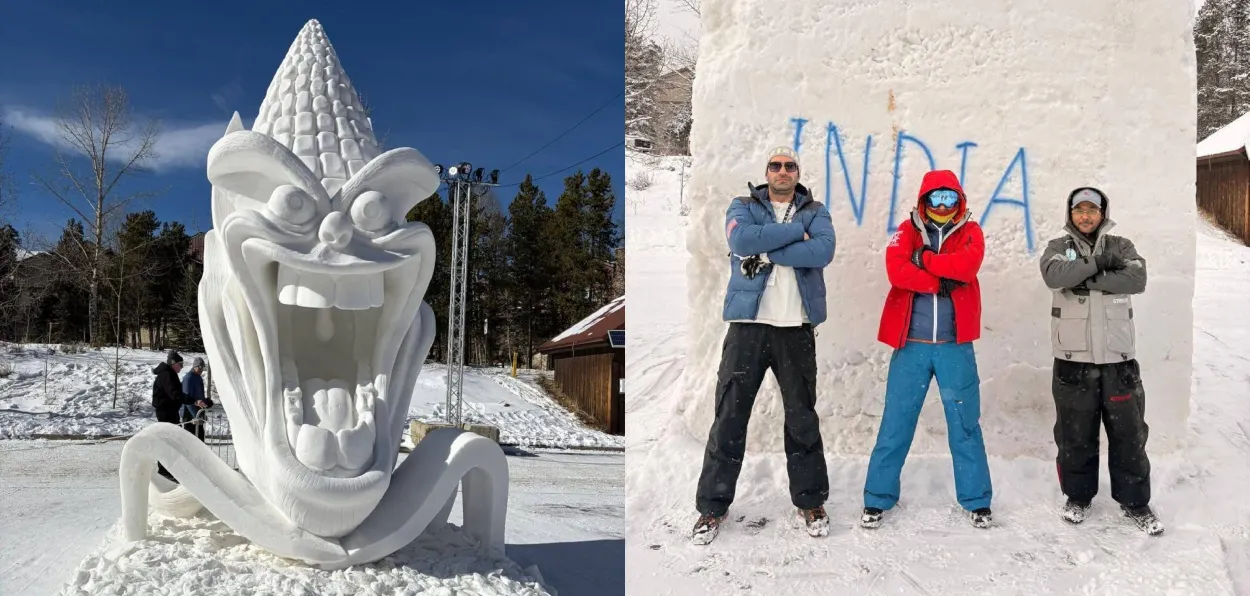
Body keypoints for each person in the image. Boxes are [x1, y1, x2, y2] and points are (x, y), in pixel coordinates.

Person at [691, 146, 836, 545]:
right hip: (748, 329)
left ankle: (811, 501)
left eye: (790, 166)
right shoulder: (742, 205)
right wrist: (791, 238)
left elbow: (823, 250)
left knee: (802, 418)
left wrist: (766, 249)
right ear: (766, 172)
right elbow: (741, 242)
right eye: (776, 165)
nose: (783, 171)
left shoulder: (815, 210)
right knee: (729, 419)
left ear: (798, 173)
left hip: (796, 328)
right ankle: (711, 507)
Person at [861, 169, 994, 530]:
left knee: (965, 424)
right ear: (924, 200)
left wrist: (925, 260)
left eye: (949, 198)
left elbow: (967, 267)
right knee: (896, 423)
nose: (942, 205)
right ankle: (877, 498)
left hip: (955, 347)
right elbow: (897, 271)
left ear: (959, 201)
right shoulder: (906, 232)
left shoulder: (971, 231)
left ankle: (977, 500)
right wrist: (940, 283)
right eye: (935, 198)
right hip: (912, 347)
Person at [1038, 187, 1162, 535]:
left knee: (1129, 434)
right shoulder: (1056, 247)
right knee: (1074, 435)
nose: (1086, 216)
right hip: (1072, 359)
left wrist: (1084, 278)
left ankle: (1136, 502)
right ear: (1071, 213)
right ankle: (1078, 498)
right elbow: (1054, 276)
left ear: (1103, 212)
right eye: (1080, 210)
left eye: (1093, 210)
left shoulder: (1121, 246)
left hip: (1117, 358)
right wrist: (1097, 267)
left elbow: (1136, 278)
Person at [151, 350, 206, 482]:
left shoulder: (170, 374)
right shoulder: (167, 375)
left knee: (171, 441)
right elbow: (176, 395)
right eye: (180, 365)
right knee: (167, 441)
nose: (181, 367)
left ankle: (168, 469)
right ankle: (164, 471)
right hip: (165, 412)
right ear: (173, 363)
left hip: (170, 411)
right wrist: (194, 401)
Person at [180, 357, 213, 442]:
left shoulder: (198, 377)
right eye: (200, 367)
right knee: (192, 442)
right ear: (195, 366)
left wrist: (206, 402)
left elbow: (198, 396)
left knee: (200, 440)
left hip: (198, 414)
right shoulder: (189, 378)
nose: (201, 370)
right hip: (190, 416)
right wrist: (196, 416)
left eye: (203, 368)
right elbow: (187, 399)